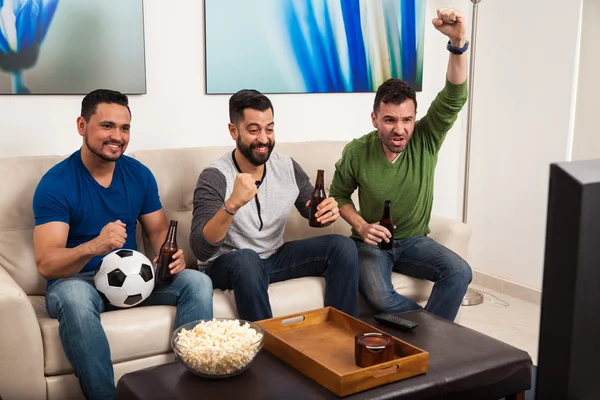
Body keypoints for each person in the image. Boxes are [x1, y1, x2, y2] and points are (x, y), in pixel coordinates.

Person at [32, 89, 213, 400]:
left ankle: (188, 389)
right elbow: (47, 264)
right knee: (74, 297)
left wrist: (169, 258)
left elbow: (157, 232)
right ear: (81, 125)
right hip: (77, 281)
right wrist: (93, 246)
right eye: (107, 126)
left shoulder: (139, 175)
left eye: (124, 128)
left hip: (134, 277)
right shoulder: (56, 184)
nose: (117, 136)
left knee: (197, 282)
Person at [329, 8, 472, 322]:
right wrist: (362, 226)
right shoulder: (357, 150)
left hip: (416, 241)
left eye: (407, 120)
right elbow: (338, 197)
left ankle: (432, 336)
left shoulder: (426, 137)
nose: (400, 128)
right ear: (375, 119)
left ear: (415, 119)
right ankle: (433, 330)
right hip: (371, 246)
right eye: (390, 120)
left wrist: (458, 44)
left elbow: (454, 96)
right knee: (380, 297)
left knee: (460, 271)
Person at [190, 89, 359, 322]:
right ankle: (267, 348)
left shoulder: (287, 166)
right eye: (253, 130)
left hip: (273, 257)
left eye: (269, 129)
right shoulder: (215, 176)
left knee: (342, 246)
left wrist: (326, 213)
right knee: (247, 259)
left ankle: (342, 334)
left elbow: (311, 210)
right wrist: (232, 205)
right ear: (233, 131)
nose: (263, 138)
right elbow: (201, 248)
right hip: (229, 264)